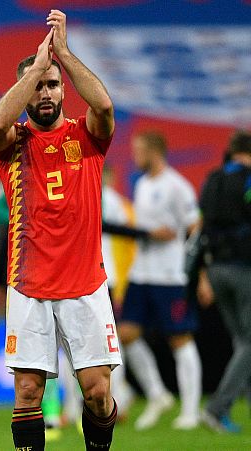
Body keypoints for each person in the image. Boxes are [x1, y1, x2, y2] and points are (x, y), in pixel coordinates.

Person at [0, 10, 120, 450]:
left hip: (85, 283)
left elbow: (104, 106)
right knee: (28, 391)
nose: (45, 93)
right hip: (29, 285)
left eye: (52, 84)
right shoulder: (13, 144)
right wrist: (35, 69)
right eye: (37, 86)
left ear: (64, 89)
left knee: (97, 393)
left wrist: (62, 52)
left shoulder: (88, 136)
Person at [117, 131, 202, 431]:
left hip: (169, 276)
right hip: (141, 273)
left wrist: (195, 269)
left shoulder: (177, 185)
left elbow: (195, 226)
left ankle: (190, 411)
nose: (135, 156)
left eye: (139, 150)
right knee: (126, 334)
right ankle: (157, 393)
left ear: (154, 151)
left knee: (179, 338)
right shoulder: (141, 184)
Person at [198, 130, 251, 433]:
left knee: (242, 340)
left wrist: (203, 274)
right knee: (249, 342)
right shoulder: (247, 179)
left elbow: (201, 225)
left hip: (215, 269)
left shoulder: (213, 179)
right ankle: (217, 409)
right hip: (243, 268)